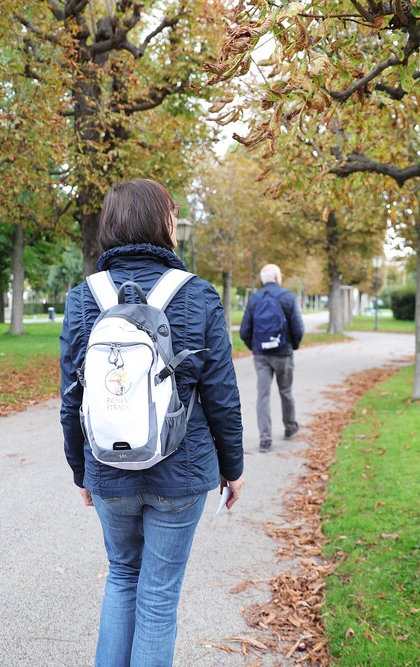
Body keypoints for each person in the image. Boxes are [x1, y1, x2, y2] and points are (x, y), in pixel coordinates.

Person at [59, 178, 245, 667]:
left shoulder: (84, 298)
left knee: (122, 577)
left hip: (108, 470)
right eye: (173, 212)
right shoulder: (198, 295)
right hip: (181, 472)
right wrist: (234, 467)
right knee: (159, 596)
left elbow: (70, 397)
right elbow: (222, 394)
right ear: (162, 222)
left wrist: (81, 472)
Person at [240, 263, 305, 452]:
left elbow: (245, 330)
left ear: (262, 280)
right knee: (285, 391)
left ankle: (265, 439)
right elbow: (298, 328)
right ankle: (290, 426)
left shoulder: (254, 299)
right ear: (278, 278)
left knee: (262, 396)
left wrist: (254, 347)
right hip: (283, 353)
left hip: (261, 355)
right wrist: (293, 346)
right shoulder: (287, 297)